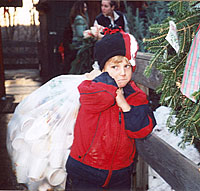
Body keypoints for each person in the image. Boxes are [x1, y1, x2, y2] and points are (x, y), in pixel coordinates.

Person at [65, 28, 156, 190]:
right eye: (115, 67)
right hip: (85, 171)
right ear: (103, 68)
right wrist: (108, 84)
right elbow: (95, 99)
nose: (122, 73)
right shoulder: (91, 88)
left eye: (127, 66)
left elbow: (142, 129)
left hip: (120, 174)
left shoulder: (135, 95)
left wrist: (125, 105)